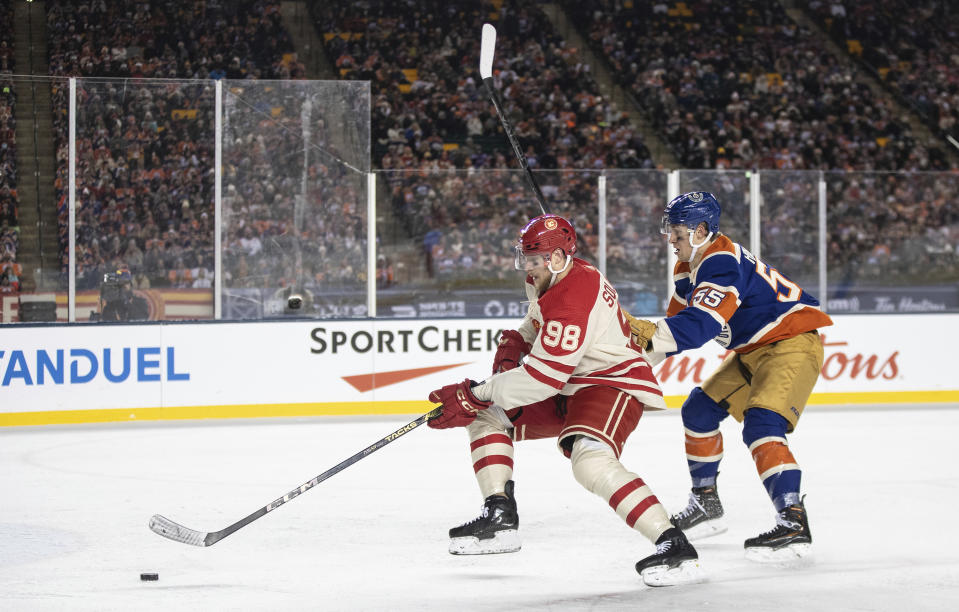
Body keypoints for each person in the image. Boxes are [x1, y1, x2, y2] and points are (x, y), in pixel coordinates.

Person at [426, 214, 704, 587]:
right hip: (571, 380)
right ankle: (500, 517)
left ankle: (673, 544)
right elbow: (539, 316)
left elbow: (543, 378)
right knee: (489, 416)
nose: (527, 267)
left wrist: (476, 393)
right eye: (525, 258)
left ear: (557, 259)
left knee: (589, 460)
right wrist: (520, 338)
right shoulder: (552, 276)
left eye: (534, 260)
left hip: (610, 381)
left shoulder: (576, 295)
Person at [624, 191, 833, 563]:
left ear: (702, 230)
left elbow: (698, 327)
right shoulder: (689, 265)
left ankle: (793, 519)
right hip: (755, 349)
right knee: (699, 411)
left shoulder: (720, 261)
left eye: (678, 232)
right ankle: (705, 501)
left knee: (762, 426)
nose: (670, 239)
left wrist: (646, 337)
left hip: (790, 342)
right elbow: (671, 335)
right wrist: (625, 368)